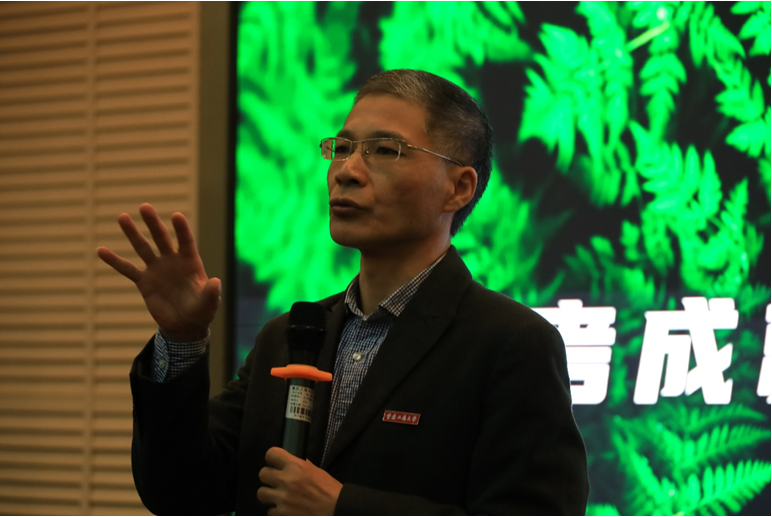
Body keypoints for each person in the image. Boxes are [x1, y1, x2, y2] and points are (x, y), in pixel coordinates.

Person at [97, 69, 589, 515]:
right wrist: (182, 339)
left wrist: (343, 508)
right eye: (342, 147)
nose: (347, 170)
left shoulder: (512, 342)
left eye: (385, 150)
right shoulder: (287, 337)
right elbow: (181, 493)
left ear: (458, 188)